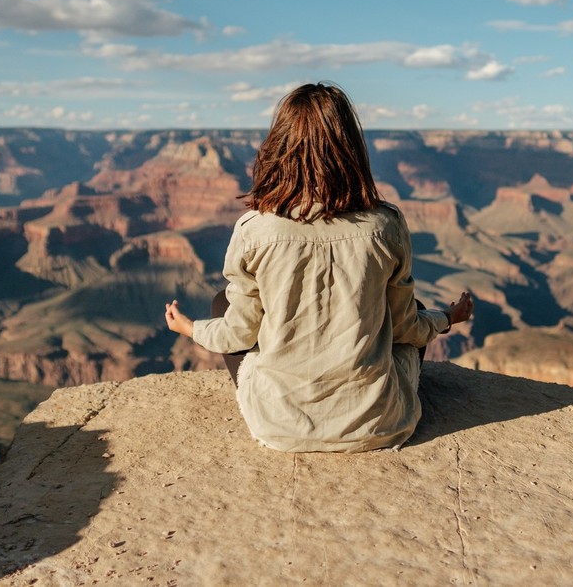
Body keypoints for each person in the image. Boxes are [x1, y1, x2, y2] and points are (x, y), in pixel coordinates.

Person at [165, 82, 473, 453]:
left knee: (222, 305)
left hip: (279, 428)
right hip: (379, 425)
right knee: (417, 309)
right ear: (351, 149)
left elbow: (239, 335)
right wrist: (446, 318)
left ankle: (287, 407)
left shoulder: (254, 229)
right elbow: (406, 328)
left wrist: (190, 328)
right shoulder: (385, 225)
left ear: (278, 148)